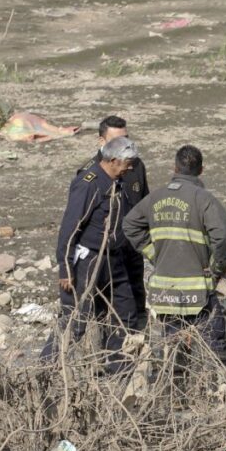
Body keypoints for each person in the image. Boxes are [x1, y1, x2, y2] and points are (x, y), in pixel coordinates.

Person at [123, 145, 226, 364]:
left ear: (174, 168)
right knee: (213, 346)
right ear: (201, 170)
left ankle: (175, 384)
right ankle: (212, 383)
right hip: (198, 291)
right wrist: (216, 270)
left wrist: (154, 254)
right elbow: (222, 236)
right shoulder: (203, 199)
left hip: (166, 292)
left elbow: (129, 225)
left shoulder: (155, 198)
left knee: (172, 348)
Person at [41, 136, 141, 373]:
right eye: (128, 164)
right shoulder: (88, 183)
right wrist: (66, 268)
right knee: (75, 319)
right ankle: (45, 371)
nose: (130, 169)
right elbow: (70, 228)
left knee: (124, 314)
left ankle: (118, 372)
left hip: (115, 261)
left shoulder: (119, 183)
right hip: (89, 262)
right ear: (114, 161)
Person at [78, 116, 150, 329]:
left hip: (132, 246)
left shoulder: (135, 165)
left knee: (135, 302)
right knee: (102, 308)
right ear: (102, 142)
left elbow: (144, 203)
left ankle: (134, 343)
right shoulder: (89, 174)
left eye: (126, 139)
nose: (124, 145)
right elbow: (76, 223)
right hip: (105, 252)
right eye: (117, 141)